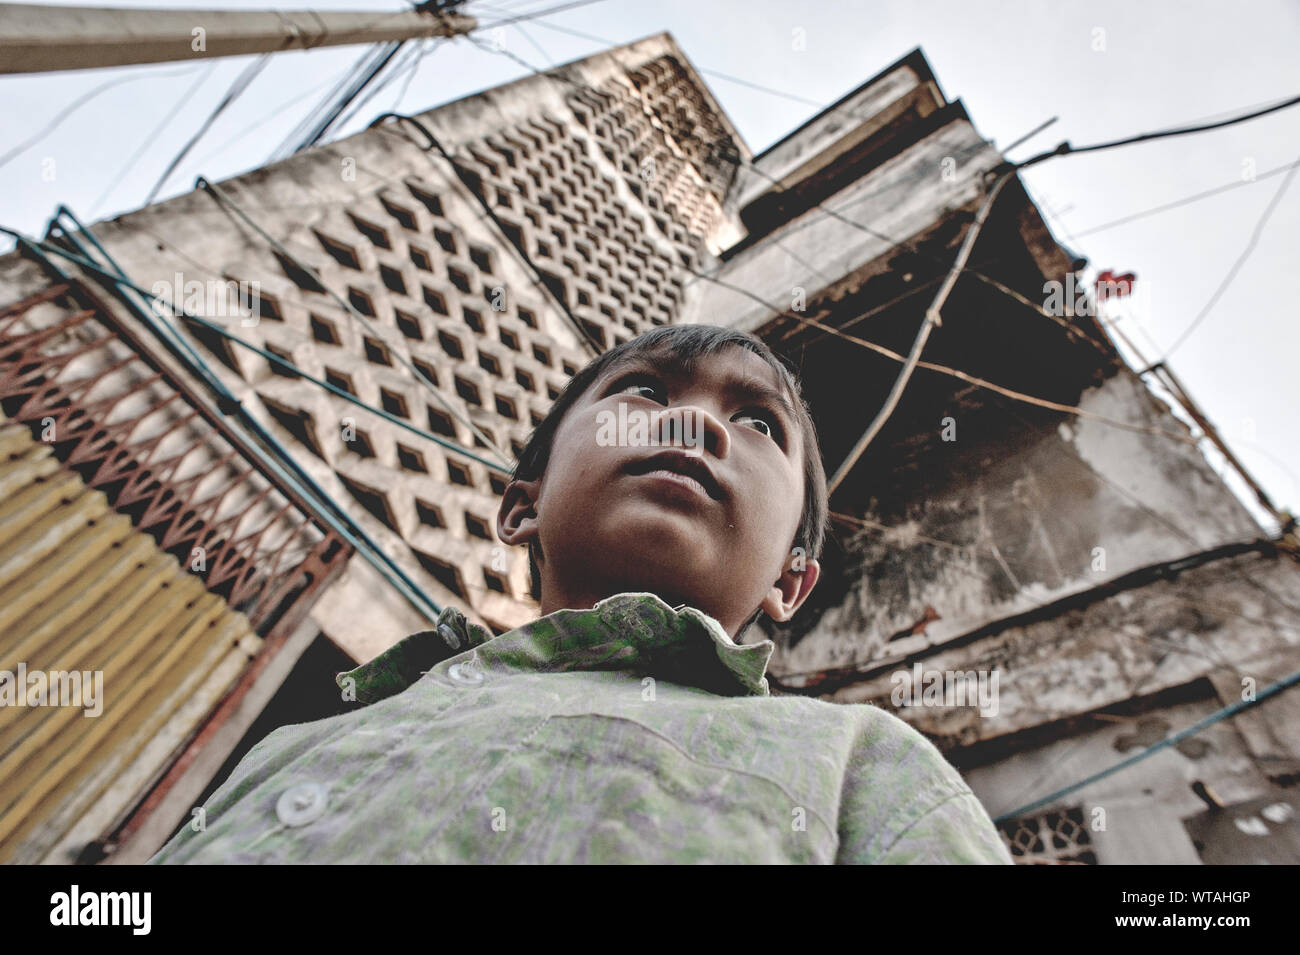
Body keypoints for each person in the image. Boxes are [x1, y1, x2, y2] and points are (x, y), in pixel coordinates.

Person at [149, 323, 1012, 864]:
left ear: (791, 579)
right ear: (522, 505)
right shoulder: (305, 740)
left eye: (758, 423)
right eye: (644, 392)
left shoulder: (861, 761)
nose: (695, 424)